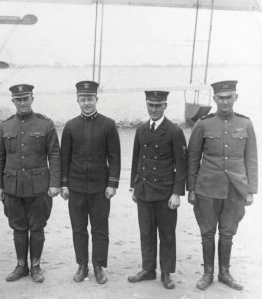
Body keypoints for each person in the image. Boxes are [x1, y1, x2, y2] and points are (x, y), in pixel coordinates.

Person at [187, 80, 258, 291]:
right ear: (215, 99)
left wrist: (251, 190)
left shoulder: (245, 124)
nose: (225, 101)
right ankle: (208, 273)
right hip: (207, 188)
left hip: (235, 189)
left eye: (229, 97)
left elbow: (251, 159)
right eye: (221, 98)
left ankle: (224, 272)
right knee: (207, 232)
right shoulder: (203, 124)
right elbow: (193, 159)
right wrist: (191, 189)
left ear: (236, 98)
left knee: (228, 233)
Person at [0, 84, 61, 283]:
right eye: (18, 99)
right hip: (12, 186)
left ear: (32, 98)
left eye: (26, 98)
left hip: (39, 186)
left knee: (37, 226)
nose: (22, 103)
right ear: (13, 101)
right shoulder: (5, 126)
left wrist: (54, 183)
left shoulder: (45, 124)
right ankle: (21, 265)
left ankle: (36, 266)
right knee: (18, 227)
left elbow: (55, 155)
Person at [60, 80, 121, 284]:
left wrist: (112, 184)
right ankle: (82, 265)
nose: (87, 103)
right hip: (76, 187)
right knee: (78, 228)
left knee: (100, 228)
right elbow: (64, 158)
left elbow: (114, 157)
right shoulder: (70, 126)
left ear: (97, 99)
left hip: (100, 188)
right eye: (83, 99)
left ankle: (99, 266)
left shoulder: (108, 124)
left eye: (90, 99)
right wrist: (64, 184)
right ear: (77, 100)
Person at [128, 91, 187, 289]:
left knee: (167, 234)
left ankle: (166, 273)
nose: (153, 109)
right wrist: (134, 187)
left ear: (165, 106)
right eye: (150, 105)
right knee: (146, 231)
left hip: (165, 192)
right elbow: (137, 159)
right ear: (146, 104)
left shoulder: (174, 131)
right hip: (144, 190)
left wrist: (177, 193)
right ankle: (148, 269)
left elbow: (181, 165)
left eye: (158, 105)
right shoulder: (142, 129)